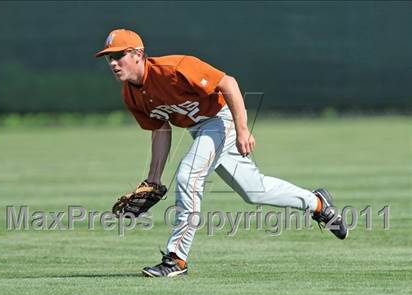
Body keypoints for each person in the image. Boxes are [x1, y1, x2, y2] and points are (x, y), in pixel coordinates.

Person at [96, 29, 348, 278]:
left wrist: (242, 130)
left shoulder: (174, 68)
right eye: (110, 58)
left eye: (120, 55)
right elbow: (160, 128)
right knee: (254, 190)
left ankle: (176, 259)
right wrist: (154, 178)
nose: (114, 63)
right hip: (200, 130)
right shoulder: (131, 94)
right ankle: (317, 203)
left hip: (220, 120)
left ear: (138, 54)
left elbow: (228, 83)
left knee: (188, 177)